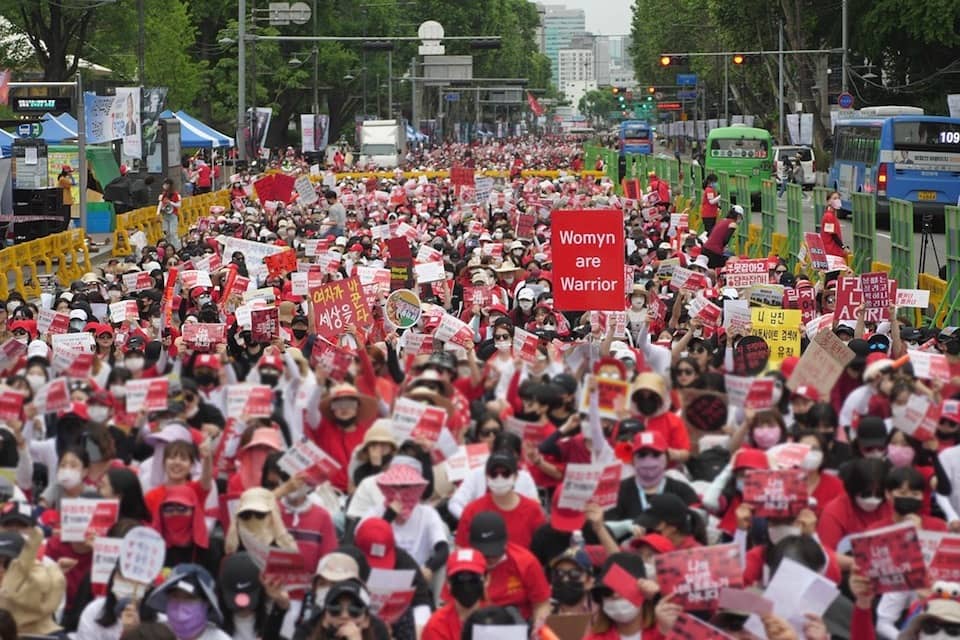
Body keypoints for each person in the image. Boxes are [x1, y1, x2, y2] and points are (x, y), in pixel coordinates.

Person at [820, 191, 847, 257]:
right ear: (828, 201)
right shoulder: (829, 216)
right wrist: (843, 247)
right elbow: (833, 234)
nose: (837, 200)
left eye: (838, 198)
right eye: (834, 198)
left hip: (833, 251)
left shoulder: (831, 215)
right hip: (831, 252)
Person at [158, 178, 182, 250]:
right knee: (166, 233)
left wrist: (170, 202)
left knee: (173, 233)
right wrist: (159, 212)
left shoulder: (176, 194)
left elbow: (179, 205)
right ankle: (167, 247)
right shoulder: (164, 194)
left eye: (166, 184)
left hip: (173, 215)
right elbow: (160, 203)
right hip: (165, 215)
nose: (164, 186)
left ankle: (176, 248)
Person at [57, 165, 74, 233]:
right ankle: (63, 231)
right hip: (64, 201)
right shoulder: (63, 179)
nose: (70, 173)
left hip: (67, 201)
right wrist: (71, 177)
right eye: (69, 172)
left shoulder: (64, 179)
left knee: (68, 218)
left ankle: (64, 231)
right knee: (66, 218)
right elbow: (72, 183)